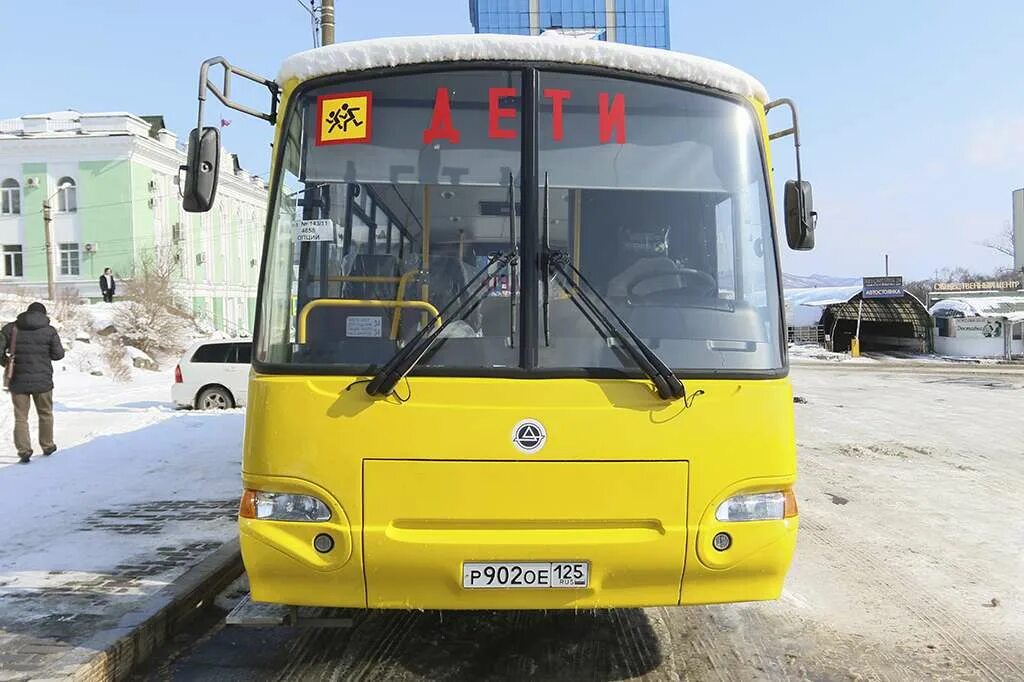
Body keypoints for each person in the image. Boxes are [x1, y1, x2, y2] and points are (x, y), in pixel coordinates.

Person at [0, 302, 65, 464]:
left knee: (21, 417)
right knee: (45, 413)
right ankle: (47, 445)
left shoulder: (11, 329)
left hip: (18, 380)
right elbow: (58, 355)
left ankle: (23, 450)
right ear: (43, 315)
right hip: (43, 380)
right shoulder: (49, 331)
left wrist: (6, 362)